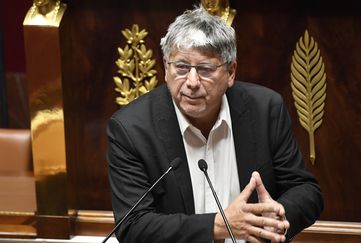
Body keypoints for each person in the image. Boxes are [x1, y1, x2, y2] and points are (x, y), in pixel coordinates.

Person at [107, 5, 323, 243]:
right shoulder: (131, 129)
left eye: (205, 69)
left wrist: (276, 216)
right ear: (166, 69)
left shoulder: (265, 110)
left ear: (231, 72)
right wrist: (217, 226)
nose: (191, 82)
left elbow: (307, 191)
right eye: (181, 67)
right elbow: (133, 225)